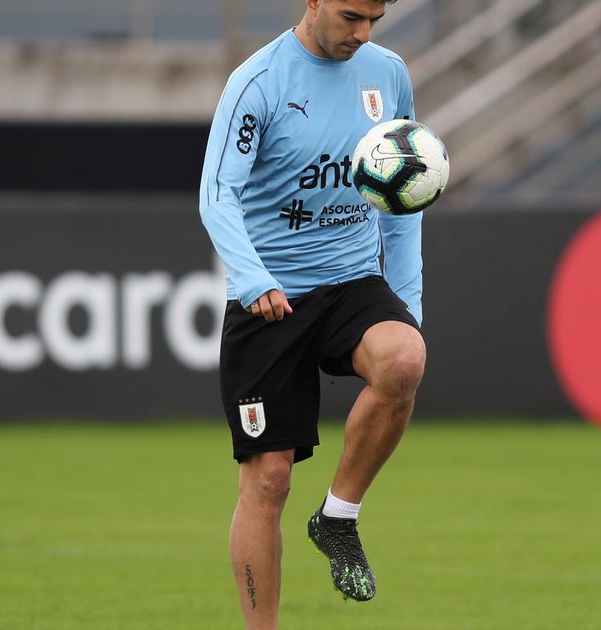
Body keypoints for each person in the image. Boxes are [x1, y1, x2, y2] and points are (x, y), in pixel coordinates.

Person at [197, 1, 424, 627]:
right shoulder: (258, 83)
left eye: (375, 18)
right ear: (314, 1)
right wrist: (251, 279)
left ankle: (338, 518)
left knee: (404, 360)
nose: (364, 33)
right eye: (352, 15)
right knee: (267, 482)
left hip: (353, 280)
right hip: (271, 299)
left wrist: (407, 303)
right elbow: (219, 194)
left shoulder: (389, 74)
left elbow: (403, 196)